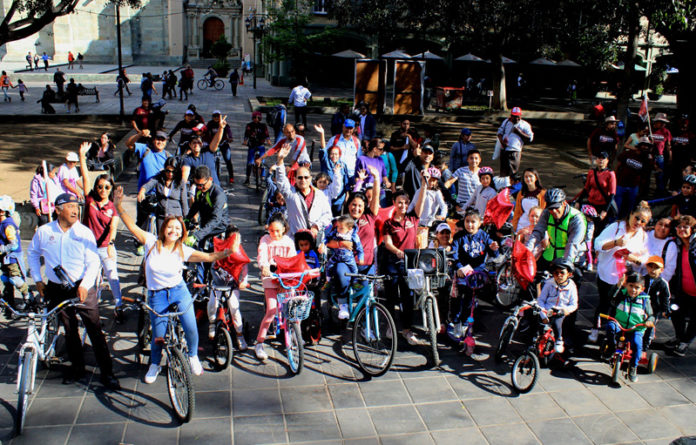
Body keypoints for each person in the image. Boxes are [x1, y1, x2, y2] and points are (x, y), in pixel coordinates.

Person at [114, 187, 231, 383]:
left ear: (181, 233)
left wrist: (228, 252)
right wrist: (118, 206)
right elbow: (131, 227)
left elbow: (210, 256)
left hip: (179, 292)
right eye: (170, 227)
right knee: (158, 335)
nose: (173, 231)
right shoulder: (151, 241)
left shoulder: (182, 249)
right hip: (156, 295)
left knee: (191, 328)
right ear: (163, 229)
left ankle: (192, 356)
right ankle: (154, 363)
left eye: (178, 228)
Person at [27, 193, 120, 389]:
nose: (75, 210)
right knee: (69, 330)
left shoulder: (84, 233)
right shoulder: (44, 232)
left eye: (76, 206)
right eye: (70, 206)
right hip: (57, 289)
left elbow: (93, 261)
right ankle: (77, 369)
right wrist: (37, 280)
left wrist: (85, 284)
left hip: (82, 287)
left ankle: (107, 373)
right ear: (58, 210)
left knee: (94, 329)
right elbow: (33, 253)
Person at [589, 201, 651, 343]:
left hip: (625, 277)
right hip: (608, 273)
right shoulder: (616, 227)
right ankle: (595, 328)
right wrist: (615, 243)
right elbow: (598, 243)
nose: (638, 222)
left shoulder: (642, 236)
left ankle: (613, 332)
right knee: (604, 302)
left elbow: (644, 256)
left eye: (643, 221)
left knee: (620, 305)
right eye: (637, 218)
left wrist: (634, 259)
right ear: (631, 214)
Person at [76, 143, 123, 319]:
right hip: (87, 247)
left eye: (106, 187)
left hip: (104, 247)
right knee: (89, 278)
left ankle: (119, 305)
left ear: (111, 189)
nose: (102, 190)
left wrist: (111, 243)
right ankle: (89, 306)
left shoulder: (112, 206)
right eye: (100, 186)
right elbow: (85, 177)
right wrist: (82, 155)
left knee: (112, 275)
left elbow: (113, 226)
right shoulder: (90, 200)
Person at [382, 172, 428, 345]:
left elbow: (421, 202)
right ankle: (390, 327)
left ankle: (407, 330)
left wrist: (424, 185)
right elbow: (387, 243)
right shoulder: (388, 223)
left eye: (406, 202)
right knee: (392, 297)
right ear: (394, 203)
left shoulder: (412, 218)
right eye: (399, 202)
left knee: (408, 298)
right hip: (393, 263)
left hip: (410, 264)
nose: (402, 205)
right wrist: (397, 251)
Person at [449, 209, 499, 345]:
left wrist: (494, 249)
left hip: (477, 274)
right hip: (463, 272)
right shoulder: (459, 236)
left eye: (473, 222)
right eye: (467, 222)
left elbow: (494, 255)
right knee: (458, 298)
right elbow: (454, 255)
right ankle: (456, 321)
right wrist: (459, 267)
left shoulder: (484, 236)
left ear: (479, 223)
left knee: (470, 300)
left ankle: (466, 323)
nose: (470, 225)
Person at [255, 213, 297, 360]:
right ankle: (259, 342)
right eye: (272, 231)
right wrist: (264, 266)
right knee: (271, 310)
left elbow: (292, 261)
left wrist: (286, 280)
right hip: (271, 279)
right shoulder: (265, 240)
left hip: (285, 280)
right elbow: (261, 256)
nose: (275, 234)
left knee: (293, 309)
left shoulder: (289, 242)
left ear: (284, 229)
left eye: (278, 231)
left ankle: (294, 333)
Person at [273, 144, 332, 236]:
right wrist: (280, 160)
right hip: (295, 238)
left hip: (314, 239)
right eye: (300, 178)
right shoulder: (290, 193)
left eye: (306, 177)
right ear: (295, 179)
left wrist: (317, 226)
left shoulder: (319, 195)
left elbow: (328, 215)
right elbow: (281, 180)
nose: (303, 180)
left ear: (311, 178)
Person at [606, 271, 654, 382]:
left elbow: (651, 315)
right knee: (610, 326)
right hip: (620, 324)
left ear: (642, 288)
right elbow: (610, 297)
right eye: (631, 286)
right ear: (626, 285)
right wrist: (617, 286)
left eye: (637, 287)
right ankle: (611, 347)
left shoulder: (644, 300)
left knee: (637, 345)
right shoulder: (622, 294)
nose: (633, 290)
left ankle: (633, 366)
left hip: (636, 328)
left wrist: (649, 321)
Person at [184, 166, 229, 283]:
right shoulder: (200, 190)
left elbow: (215, 220)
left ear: (210, 180)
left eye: (202, 185)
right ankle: (200, 281)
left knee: (207, 257)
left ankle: (206, 282)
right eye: (197, 185)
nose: (199, 187)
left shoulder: (218, 195)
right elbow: (196, 205)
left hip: (218, 228)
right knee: (200, 255)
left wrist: (197, 235)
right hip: (205, 224)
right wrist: (187, 219)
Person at [206, 225, 249, 348]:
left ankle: (239, 334)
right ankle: (212, 323)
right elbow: (212, 267)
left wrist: (243, 281)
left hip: (232, 286)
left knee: (235, 308)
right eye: (232, 240)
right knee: (212, 303)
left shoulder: (240, 254)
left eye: (238, 240)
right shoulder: (220, 251)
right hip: (217, 284)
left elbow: (244, 269)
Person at [526, 188, 587, 272]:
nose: (554, 211)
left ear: (564, 203)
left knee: (568, 280)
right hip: (551, 253)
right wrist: (527, 249)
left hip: (572, 255)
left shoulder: (577, 219)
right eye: (551, 208)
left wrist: (565, 265)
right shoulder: (547, 212)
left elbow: (573, 244)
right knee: (535, 275)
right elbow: (538, 232)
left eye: (556, 207)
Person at [324, 215, 364, 319]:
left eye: (341, 228)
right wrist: (324, 244)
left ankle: (355, 283)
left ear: (349, 228)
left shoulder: (353, 235)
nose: (338, 229)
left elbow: (359, 248)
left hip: (349, 259)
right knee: (328, 266)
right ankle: (327, 281)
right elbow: (327, 240)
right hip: (337, 257)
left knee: (354, 269)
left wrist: (361, 257)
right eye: (338, 227)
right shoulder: (336, 233)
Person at [667, 215, 696, 356]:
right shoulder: (677, 244)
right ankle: (680, 337)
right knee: (676, 312)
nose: (682, 229)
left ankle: (685, 342)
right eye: (679, 226)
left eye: (686, 226)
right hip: (683, 289)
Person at [538, 258, 579, 354]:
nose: (559, 275)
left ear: (569, 274)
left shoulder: (572, 287)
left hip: (560, 311)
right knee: (535, 322)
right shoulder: (549, 284)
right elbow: (541, 300)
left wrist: (566, 310)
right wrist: (543, 313)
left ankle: (559, 339)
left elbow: (574, 304)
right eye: (556, 273)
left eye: (562, 273)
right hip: (547, 310)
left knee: (558, 321)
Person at [138, 156, 188, 231]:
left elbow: (184, 202)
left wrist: (186, 219)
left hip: (175, 216)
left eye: (173, 171)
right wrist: (142, 191)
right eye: (168, 171)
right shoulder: (159, 178)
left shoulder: (181, 182)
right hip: (161, 215)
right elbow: (149, 185)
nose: (170, 174)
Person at [574, 151, 616, 238]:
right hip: (591, 203)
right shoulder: (592, 172)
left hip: (602, 205)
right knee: (587, 226)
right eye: (599, 158)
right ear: (596, 160)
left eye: (603, 159)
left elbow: (612, 194)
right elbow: (586, 189)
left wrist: (605, 211)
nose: (601, 161)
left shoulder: (610, 174)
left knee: (599, 228)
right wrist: (578, 201)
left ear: (607, 160)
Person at [0, 196, 30, 314]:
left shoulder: (8, 225)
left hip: (12, 257)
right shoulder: (2, 223)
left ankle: (28, 297)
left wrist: (2, 248)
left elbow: (13, 244)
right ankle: (9, 302)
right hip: (5, 258)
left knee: (15, 279)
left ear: (4, 211)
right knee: (6, 279)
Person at [615, 136, 653, 218]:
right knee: (616, 207)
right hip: (621, 183)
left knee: (630, 208)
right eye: (643, 145)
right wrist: (614, 178)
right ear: (639, 145)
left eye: (647, 146)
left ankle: (626, 221)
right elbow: (618, 165)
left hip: (633, 186)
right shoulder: (628, 153)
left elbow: (645, 176)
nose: (645, 147)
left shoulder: (646, 160)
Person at [496, 107, 534, 181]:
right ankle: (502, 188)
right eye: (513, 116)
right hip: (504, 150)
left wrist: (519, 132)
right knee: (503, 172)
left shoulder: (525, 125)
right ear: (511, 116)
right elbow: (499, 133)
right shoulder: (506, 122)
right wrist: (502, 142)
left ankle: (512, 189)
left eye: (517, 116)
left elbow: (530, 138)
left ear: (520, 116)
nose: (516, 118)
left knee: (513, 172)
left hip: (515, 151)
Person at [642, 255, 671, 347]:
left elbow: (665, 297)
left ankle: (645, 344)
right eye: (650, 266)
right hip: (639, 306)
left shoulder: (662, 283)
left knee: (649, 326)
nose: (653, 270)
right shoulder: (642, 279)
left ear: (661, 270)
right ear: (647, 267)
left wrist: (665, 310)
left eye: (656, 268)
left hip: (654, 309)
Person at [644, 216, 677, 282]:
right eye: (660, 224)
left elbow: (669, 270)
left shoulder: (671, 245)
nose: (662, 228)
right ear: (655, 225)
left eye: (666, 226)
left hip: (655, 282)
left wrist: (656, 283)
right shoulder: (644, 235)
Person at [206, 110, 235, 183]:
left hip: (223, 143)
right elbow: (207, 132)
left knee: (228, 159)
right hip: (214, 144)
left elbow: (229, 131)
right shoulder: (210, 124)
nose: (216, 118)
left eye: (217, 116)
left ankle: (231, 176)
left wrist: (230, 138)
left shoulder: (223, 123)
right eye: (214, 116)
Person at [243, 111, 271, 185]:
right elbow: (246, 134)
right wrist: (245, 141)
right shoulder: (249, 125)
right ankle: (247, 178)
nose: (256, 119)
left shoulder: (263, 126)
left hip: (261, 144)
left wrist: (268, 141)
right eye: (254, 117)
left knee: (262, 161)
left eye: (258, 118)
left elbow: (266, 134)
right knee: (250, 162)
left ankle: (263, 176)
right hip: (252, 144)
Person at [652, 113, 673, 196]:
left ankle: (660, 191)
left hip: (660, 155)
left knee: (660, 174)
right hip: (650, 155)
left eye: (663, 122)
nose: (662, 124)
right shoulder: (651, 131)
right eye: (660, 122)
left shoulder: (666, 132)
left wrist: (670, 157)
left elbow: (668, 145)